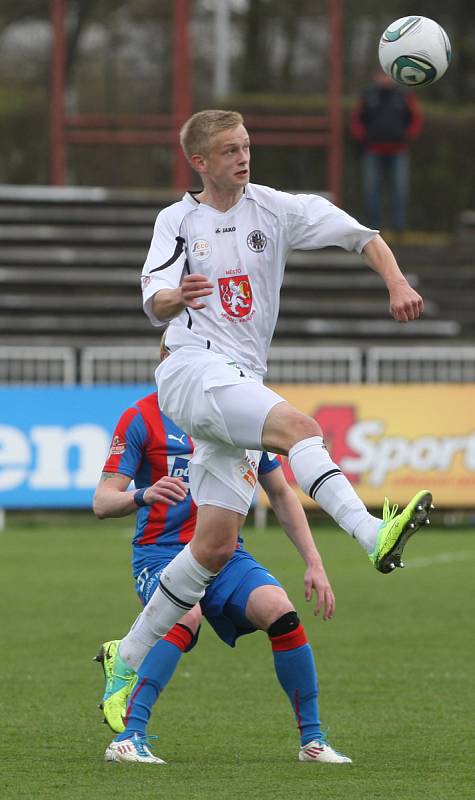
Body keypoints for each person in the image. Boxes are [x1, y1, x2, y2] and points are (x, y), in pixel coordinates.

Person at [105, 109, 432, 727]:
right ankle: (370, 534)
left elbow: (361, 234)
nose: (243, 157)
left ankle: (126, 655)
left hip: (236, 384)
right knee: (300, 429)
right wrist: (178, 295)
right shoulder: (178, 219)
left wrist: (396, 282)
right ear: (199, 161)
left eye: (247, 145)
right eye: (229, 149)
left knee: (213, 546)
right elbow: (153, 296)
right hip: (191, 369)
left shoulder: (275, 209)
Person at [93, 381, 350, 765]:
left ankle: (312, 741)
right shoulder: (141, 417)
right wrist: (142, 494)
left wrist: (314, 562)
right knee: (185, 614)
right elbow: (102, 500)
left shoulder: (241, 415)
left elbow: (280, 494)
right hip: (159, 554)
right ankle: (128, 737)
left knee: (280, 610)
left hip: (226, 554)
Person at [350, 70, 423, 233]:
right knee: (372, 191)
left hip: (398, 152)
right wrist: (364, 138)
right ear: (376, 77)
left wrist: (408, 137)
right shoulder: (368, 95)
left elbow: (416, 119)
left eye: (387, 76)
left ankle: (399, 227)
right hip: (373, 151)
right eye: (381, 75)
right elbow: (356, 120)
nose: (385, 79)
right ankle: (373, 227)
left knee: (399, 191)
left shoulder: (404, 95)